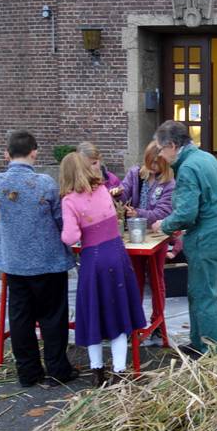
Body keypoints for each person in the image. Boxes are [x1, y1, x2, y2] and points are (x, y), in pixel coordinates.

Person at [0, 130, 77, 388]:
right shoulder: (46, 183)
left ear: (6, 154)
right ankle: (57, 369)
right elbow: (59, 220)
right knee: (53, 317)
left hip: (15, 261)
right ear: (35, 152)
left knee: (20, 317)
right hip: (48, 260)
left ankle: (28, 372)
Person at [151, 120, 217, 358]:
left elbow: (187, 213)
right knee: (198, 291)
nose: (160, 154)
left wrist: (164, 225)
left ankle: (213, 352)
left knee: (204, 295)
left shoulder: (188, 167)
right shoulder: (205, 157)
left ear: (171, 145)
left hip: (208, 236)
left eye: (160, 149)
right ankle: (198, 343)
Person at [59, 152, 146, 386]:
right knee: (118, 313)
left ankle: (97, 372)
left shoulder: (69, 201)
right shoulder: (102, 191)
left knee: (93, 314)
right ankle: (119, 370)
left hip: (93, 260)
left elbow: (70, 237)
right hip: (117, 255)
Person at [110, 140, 181, 345]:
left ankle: (157, 321)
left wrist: (138, 213)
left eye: (157, 164)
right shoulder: (136, 174)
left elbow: (163, 212)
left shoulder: (169, 183)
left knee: (156, 278)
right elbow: (124, 190)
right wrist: (117, 193)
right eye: (150, 163)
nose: (152, 168)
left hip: (156, 235)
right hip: (134, 236)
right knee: (135, 279)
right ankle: (135, 322)